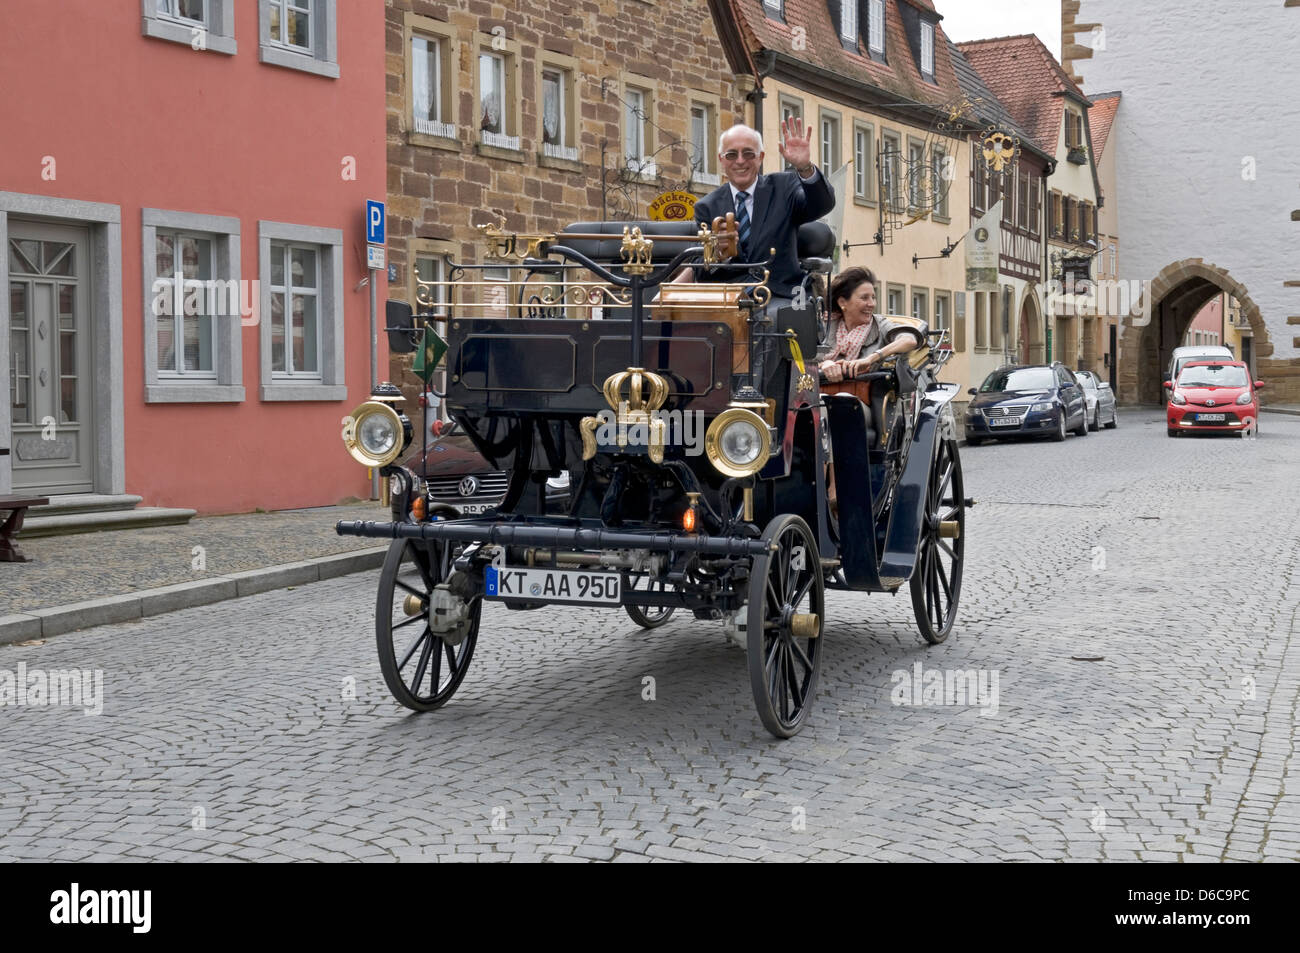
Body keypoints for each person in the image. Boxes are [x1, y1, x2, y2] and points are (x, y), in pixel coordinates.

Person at [678, 119, 835, 314]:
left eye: (749, 153)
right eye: (732, 154)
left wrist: (805, 168)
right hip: (731, 301)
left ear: (760, 157)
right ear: (721, 160)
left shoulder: (784, 187)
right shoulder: (707, 207)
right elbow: (701, 271)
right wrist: (719, 254)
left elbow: (821, 205)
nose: (740, 161)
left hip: (782, 296)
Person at [819, 267, 920, 387]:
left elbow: (909, 340)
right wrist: (824, 364)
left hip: (867, 400)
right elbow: (804, 359)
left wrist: (870, 359)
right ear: (842, 302)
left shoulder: (879, 325)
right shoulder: (827, 325)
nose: (871, 304)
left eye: (873, 297)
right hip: (822, 396)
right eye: (864, 298)